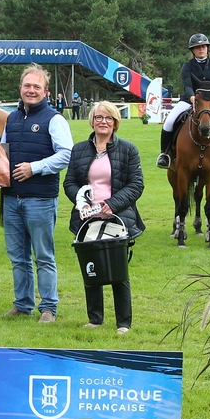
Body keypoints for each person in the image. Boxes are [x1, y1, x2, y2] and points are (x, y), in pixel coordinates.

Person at [0, 64, 73, 323]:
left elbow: (67, 154)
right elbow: (2, 153)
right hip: (12, 198)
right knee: (18, 257)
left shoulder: (54, 119)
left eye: (36, 87)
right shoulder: (11, 119)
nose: (31, 90)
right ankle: (22, 304)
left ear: (46, 92)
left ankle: (49, 307)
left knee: (43, 256)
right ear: (20, 88)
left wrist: (35, 168)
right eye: (27, 86)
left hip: (40, 199)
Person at [63, 102, 145, 334]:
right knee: (91, 268)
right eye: (99, 117)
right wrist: (81, 202)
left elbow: (136, 184)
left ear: (115, 123)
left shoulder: (128, 150)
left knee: (118, 272)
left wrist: (112, 204)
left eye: (109, 118)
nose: (103, 122)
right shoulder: (79, 150)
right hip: (87, 220)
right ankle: (95, 319)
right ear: (92, 120)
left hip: (116, 219)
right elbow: (69, 182)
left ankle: (123, 323)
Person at [157, 33, 210, 172]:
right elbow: (187, 85)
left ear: (207, 48)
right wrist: (192, 97)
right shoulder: (188, 66)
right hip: (189, 101)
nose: (201, 49)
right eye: (198, 47)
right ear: (193, 50)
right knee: (169, 122)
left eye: (203, 46)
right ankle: (165, 154)